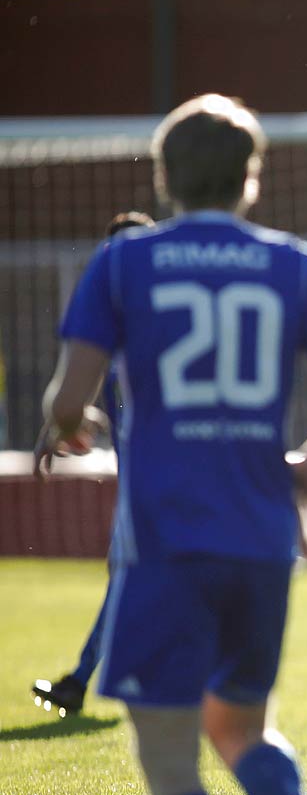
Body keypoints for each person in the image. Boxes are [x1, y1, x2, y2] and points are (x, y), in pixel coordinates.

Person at [35, 93, 307, 795]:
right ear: (252, 180)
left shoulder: (124, 260)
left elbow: (68, 402)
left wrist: (67, 425)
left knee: (167, 755)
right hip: (263, 538)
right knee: (240, 722)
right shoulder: (293, 266)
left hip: (164, 543)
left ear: (162, 178)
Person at [31, 210, 155, 719]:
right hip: (156, 478)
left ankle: (88, 680)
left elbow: (75, 396)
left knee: (133, 576)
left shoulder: (122, 312)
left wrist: (59, 425)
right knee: (133, 575)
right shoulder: (155, 310)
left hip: (154, 480)